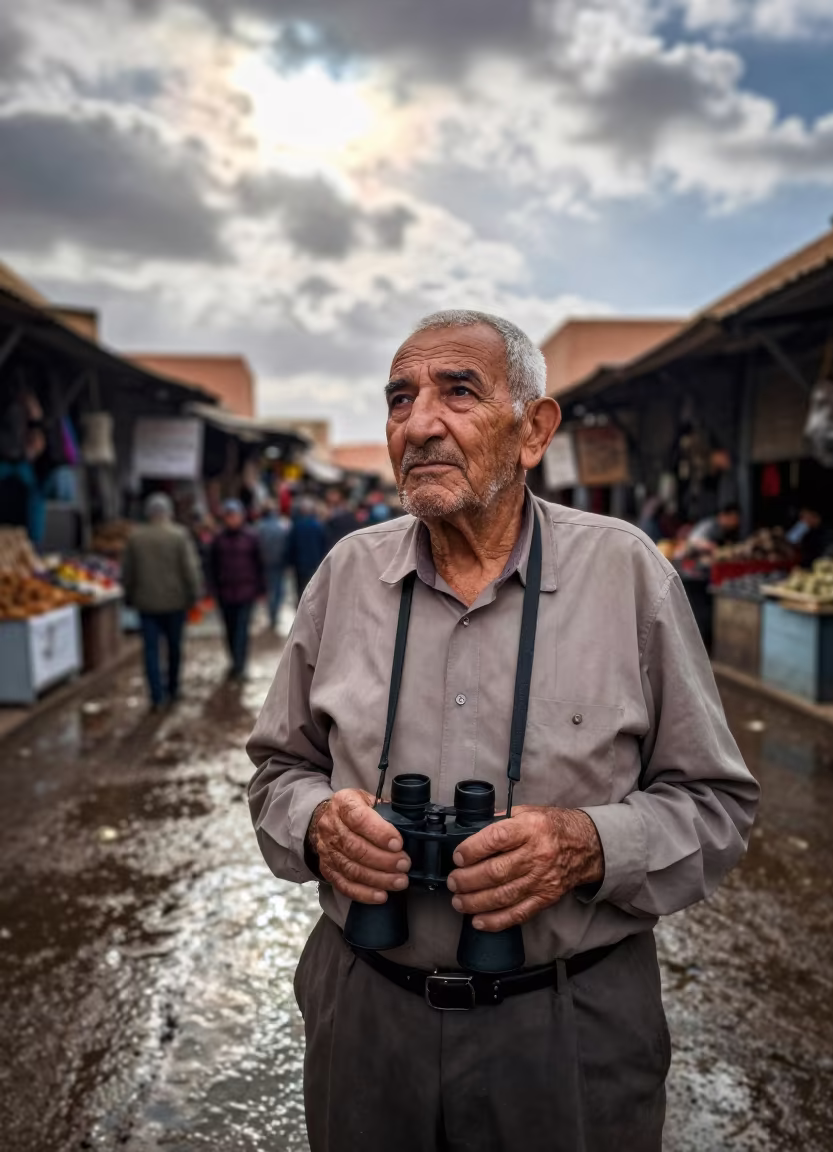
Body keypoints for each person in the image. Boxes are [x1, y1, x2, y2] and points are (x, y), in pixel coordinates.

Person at [247, 310, 759, 1152]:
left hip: (568, 1027)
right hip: (365, 1015)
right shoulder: (346, 574)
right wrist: (318, 825)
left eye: (458, 393)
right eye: (400, 398)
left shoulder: (627, 573)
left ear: (534, 430)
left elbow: (716, 806)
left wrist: (586, 845)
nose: (420, 424)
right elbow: (276, 771)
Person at [122, 493, 203, 710]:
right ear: (168, 512)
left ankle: (156, 696)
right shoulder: (179, 535)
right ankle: (174, 689)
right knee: (174, 647)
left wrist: (129, 596)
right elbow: (190, 569)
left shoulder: (135, 537)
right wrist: (194, 595)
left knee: (150, 650)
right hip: (175, 603)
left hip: (146, 604)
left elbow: (127, 573)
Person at [211, 499, 265, 680]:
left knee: (242, 630)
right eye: (229, 516)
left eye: (235, 516)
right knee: (230, 630)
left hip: (246, 592)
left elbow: (260, 564)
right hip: (225, 593)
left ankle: (240, 666)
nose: (232, 519)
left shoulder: (251, 537)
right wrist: (212, 589)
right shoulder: (218, 539)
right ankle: (234, 661)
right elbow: (211, 566)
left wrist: (261, 589)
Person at [256, 500, 291, 628]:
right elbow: (286, 544)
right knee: (278, 589)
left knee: (269, 588)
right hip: (279, 562)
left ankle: (271, 613)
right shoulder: (281, 526)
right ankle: (274, 614)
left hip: (264, 563)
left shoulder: (259, 527)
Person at [285, 496, 328, 600]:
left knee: (300, 588)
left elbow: (291, 545)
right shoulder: (318, 526)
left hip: (299, 563)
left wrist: (289, 562)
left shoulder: (297, 526)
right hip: (314, 562)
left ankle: (300, 607)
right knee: (312, 588)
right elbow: (324, 544)